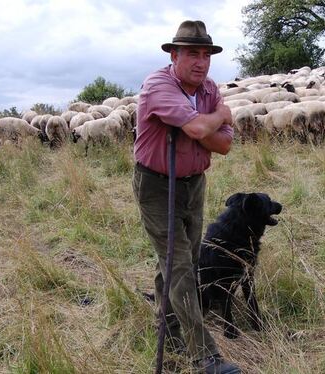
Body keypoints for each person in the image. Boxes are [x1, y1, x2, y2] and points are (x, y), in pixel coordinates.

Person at [132, 20, 241, 374]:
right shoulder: (158, 85)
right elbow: (199, 129)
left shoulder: (208, 89)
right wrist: (216, 118)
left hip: (194, 183)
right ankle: (204, 356)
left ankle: (169, 330)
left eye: (206, 54)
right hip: (157, 185)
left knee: (182, 264)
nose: (201, 61)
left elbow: (224, 144)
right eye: (192, 53)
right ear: (174, 55)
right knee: (179, 267)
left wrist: (202, 124)